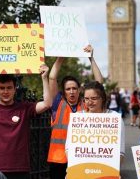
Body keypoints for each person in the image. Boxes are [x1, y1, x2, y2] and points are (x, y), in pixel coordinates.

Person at [47, 45, 103, 179]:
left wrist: (91, 58)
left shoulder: (87, 105)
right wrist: (61, 57)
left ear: (79, 90)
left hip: (81, 157)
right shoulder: (57, 103)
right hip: (58, 158)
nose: (71, 91)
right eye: (68, 89)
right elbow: (52, 78)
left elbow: (99, 83)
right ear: (63, 91)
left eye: (74, 88)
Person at [80, 81, 126, 162]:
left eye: (94, 98)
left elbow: (120, 152)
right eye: (86, 99)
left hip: (107, 170)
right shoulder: (78, 117)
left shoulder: (114, 117)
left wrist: (112, 171)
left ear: (103, 98)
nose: (90, 102)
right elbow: (69, 148)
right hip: (81, 170)